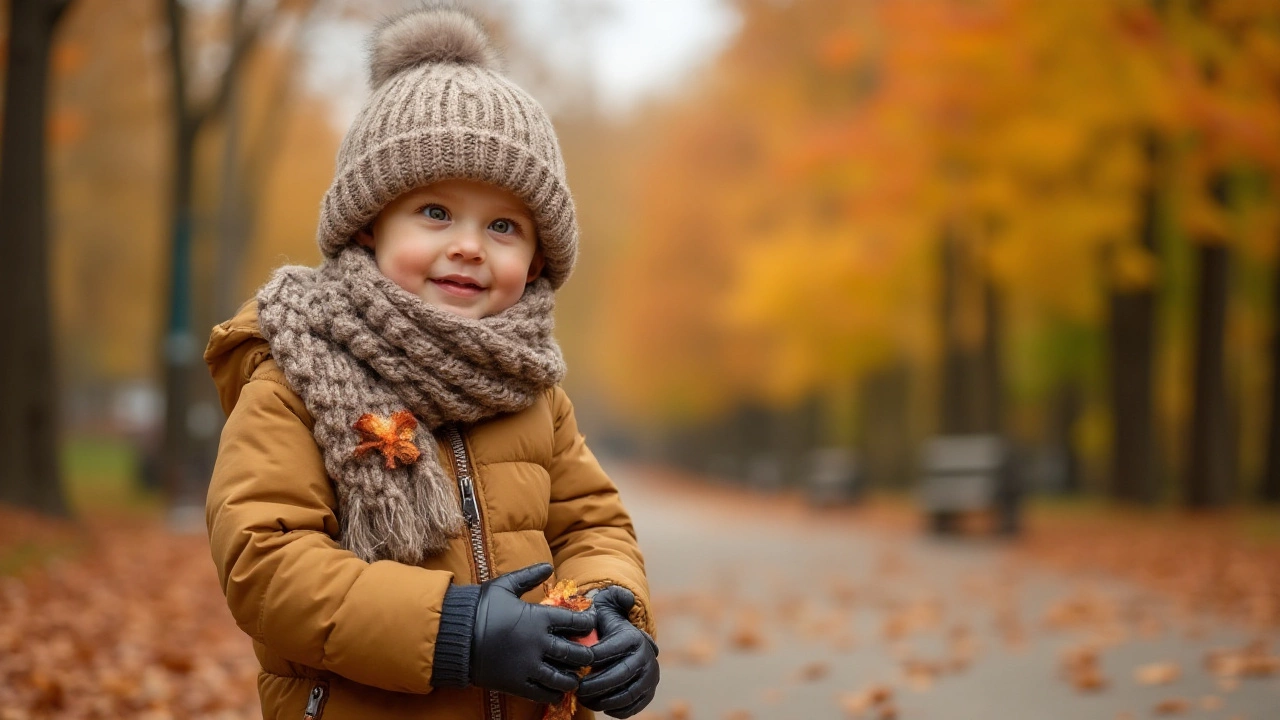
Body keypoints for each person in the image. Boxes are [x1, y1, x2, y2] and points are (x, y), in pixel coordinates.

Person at [202, 4, 658, 719]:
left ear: (536, 257)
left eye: (502, 225)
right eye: (437, 213)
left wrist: (614, 608)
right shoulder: (296, 372)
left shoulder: (531, 390)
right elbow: (265, 563)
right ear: (368, 226)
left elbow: (591, 525)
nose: (470, 246)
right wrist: (455, 630)